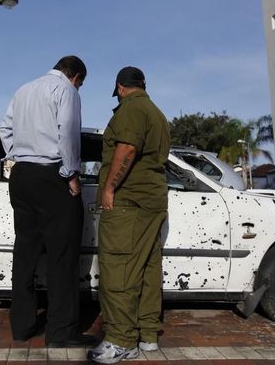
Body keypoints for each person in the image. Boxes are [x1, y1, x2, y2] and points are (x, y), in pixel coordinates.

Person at [0, 55, 95, 348]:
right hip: (52, 176)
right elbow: (67, 133)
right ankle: (61, 332)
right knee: (62, 256)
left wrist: (17, 156)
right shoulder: (66, 91)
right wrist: (71, 174)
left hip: (22, 175)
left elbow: (5, 129)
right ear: (76, 77)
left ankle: (22, 325)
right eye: (81, 83)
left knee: (25, 251)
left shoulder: (24, 90)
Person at [88, 66, 170, 364]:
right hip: (152, 201)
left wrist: (109, 187)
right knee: (147, 268)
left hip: (129, 201)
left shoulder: (131, 110)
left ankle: (121, 341)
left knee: (118, 269)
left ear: (120, 88)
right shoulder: (157, 113)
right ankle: (147, 335)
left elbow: (127, 148)